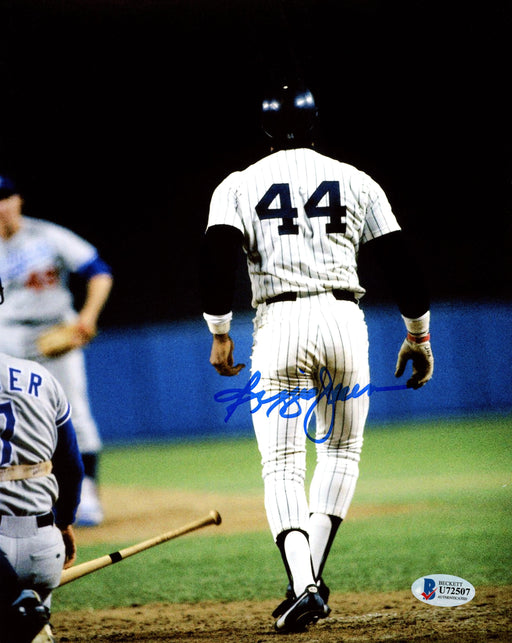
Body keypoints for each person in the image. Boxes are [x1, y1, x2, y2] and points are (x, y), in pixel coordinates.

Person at [200, 83, 434, 633]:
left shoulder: (238, 184)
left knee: (281, 465)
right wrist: (418, 337)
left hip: (278, 324)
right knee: (341, 453)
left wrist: (219, 332)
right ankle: (308, 584)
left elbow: (216, 258)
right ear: (314, 124)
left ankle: (304, 584)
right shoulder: (356, 180)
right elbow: (402, 262)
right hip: (343, 322)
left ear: (264, 129)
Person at [0, 175, 113, 526]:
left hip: (55, 329)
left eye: (6, 198)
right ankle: (20, 498)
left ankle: (87, 494)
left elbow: (98, 271)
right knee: (12, 417)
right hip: (8, 336)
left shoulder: (47, 236)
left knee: (74, 411)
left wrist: (87, 318)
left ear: (18, 200)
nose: (2, 207)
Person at [0, 275, 85, 643]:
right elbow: (71, 465)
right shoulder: (41, 376)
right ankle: (32, 616)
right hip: (45, 550)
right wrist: (64, 522)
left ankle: (16, 610)